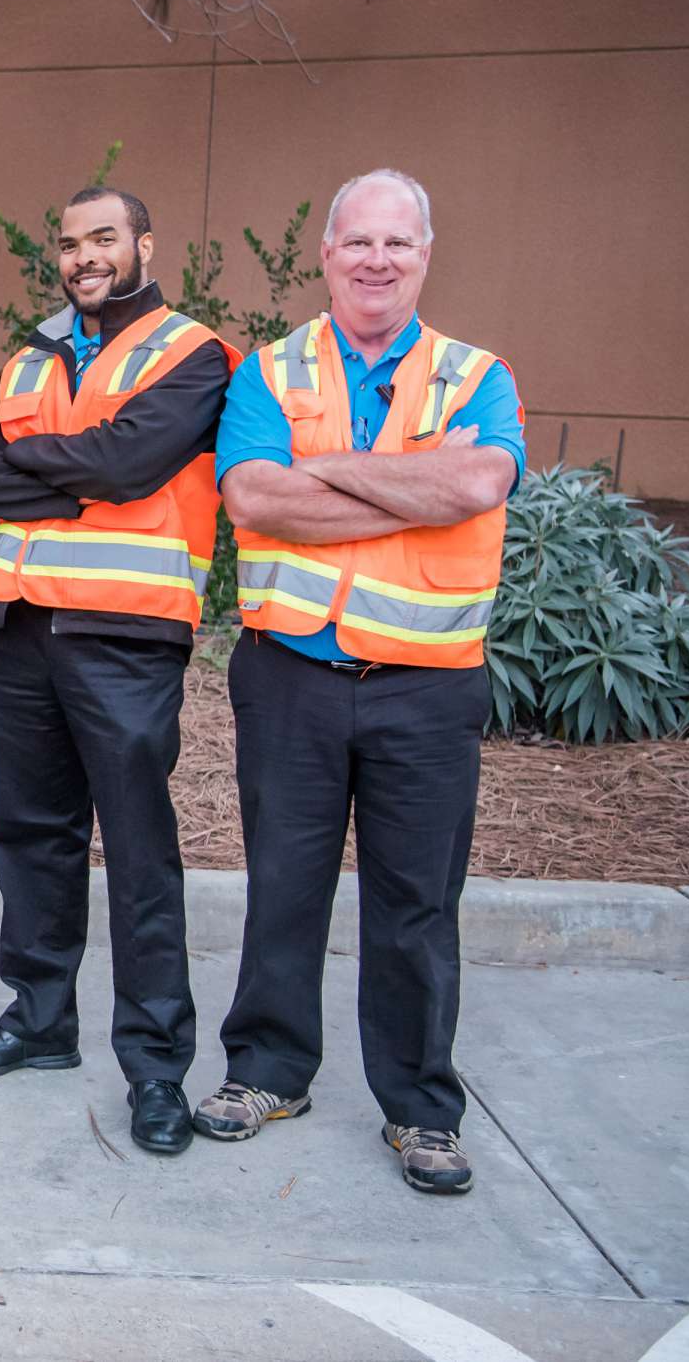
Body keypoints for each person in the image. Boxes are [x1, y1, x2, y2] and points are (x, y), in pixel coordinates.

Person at [195, 168, 524, 1195]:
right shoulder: (273, 370)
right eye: (358, 243)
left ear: (424, 257)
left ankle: (422, 1110)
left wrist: (324, 468)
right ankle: (267, 1072)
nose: (377, 260)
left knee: (416, 902)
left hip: (427, 685)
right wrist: (411, 484)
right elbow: (252, 495)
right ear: (326, 254)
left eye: (398, 244)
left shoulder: (477, 376)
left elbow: (480, 481)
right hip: (290, 671)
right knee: (283, 886)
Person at [0, 185, 236, 1155]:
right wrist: (74, 480)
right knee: (28, 835)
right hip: (24, 625)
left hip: (127, 633)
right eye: (68, 243)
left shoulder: (193, 353)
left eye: (103, 238)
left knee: (139, 856)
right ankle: (38, 1020)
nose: (83, 257)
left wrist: (49, 475)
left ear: (145, 244)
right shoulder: (32, 352)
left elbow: (130, 464)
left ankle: (156, 1070)